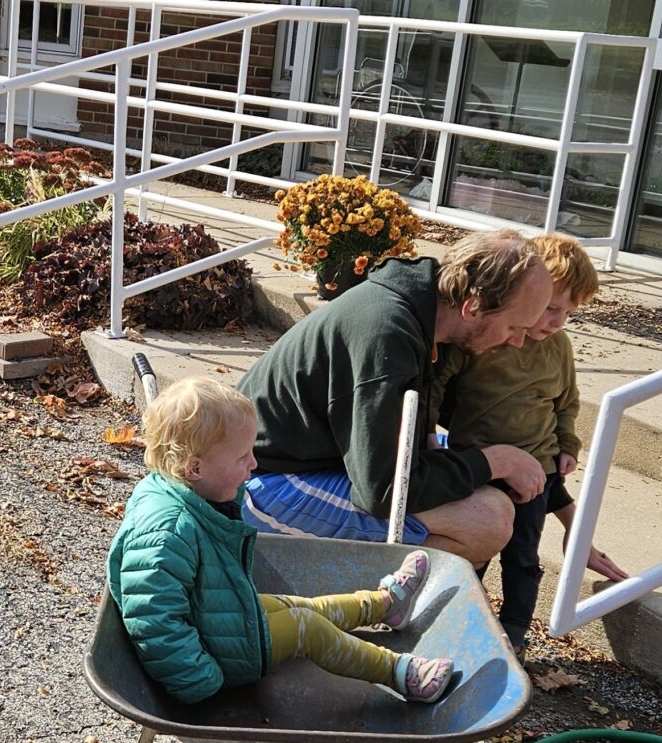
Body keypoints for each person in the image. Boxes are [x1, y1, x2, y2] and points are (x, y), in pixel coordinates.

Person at [106, 377, 453, 705]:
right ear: (194, 468)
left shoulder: (185, 493)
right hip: (214, 657)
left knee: (300, 606)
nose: (254, 464)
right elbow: (153, 619)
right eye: (242, 458)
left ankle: (383, 604)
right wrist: (198, 679)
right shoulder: (167, 531)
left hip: (219, 622)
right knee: (308, 628)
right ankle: (399, 673)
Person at [237, 229, 553, 566]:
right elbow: (385, 491)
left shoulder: (423, 313)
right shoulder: (387, 333)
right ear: (473, 307)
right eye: (513, 328)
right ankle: (359, 600)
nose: (518, 342)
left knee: (482, 503)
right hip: (254, 485)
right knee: (486, 520)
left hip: (306, 465)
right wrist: (496, 462)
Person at [429, 233, 627, 658]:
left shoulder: (559, 348)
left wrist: (568, 444)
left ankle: (515, 634)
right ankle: (461, 619)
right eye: (550, 308)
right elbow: (439, 383)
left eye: (568, 313)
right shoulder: (485, 338)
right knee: (475, 553)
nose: (556, 320)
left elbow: (566, 403)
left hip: (537, 471)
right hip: (478, 465)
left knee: (523, 557)